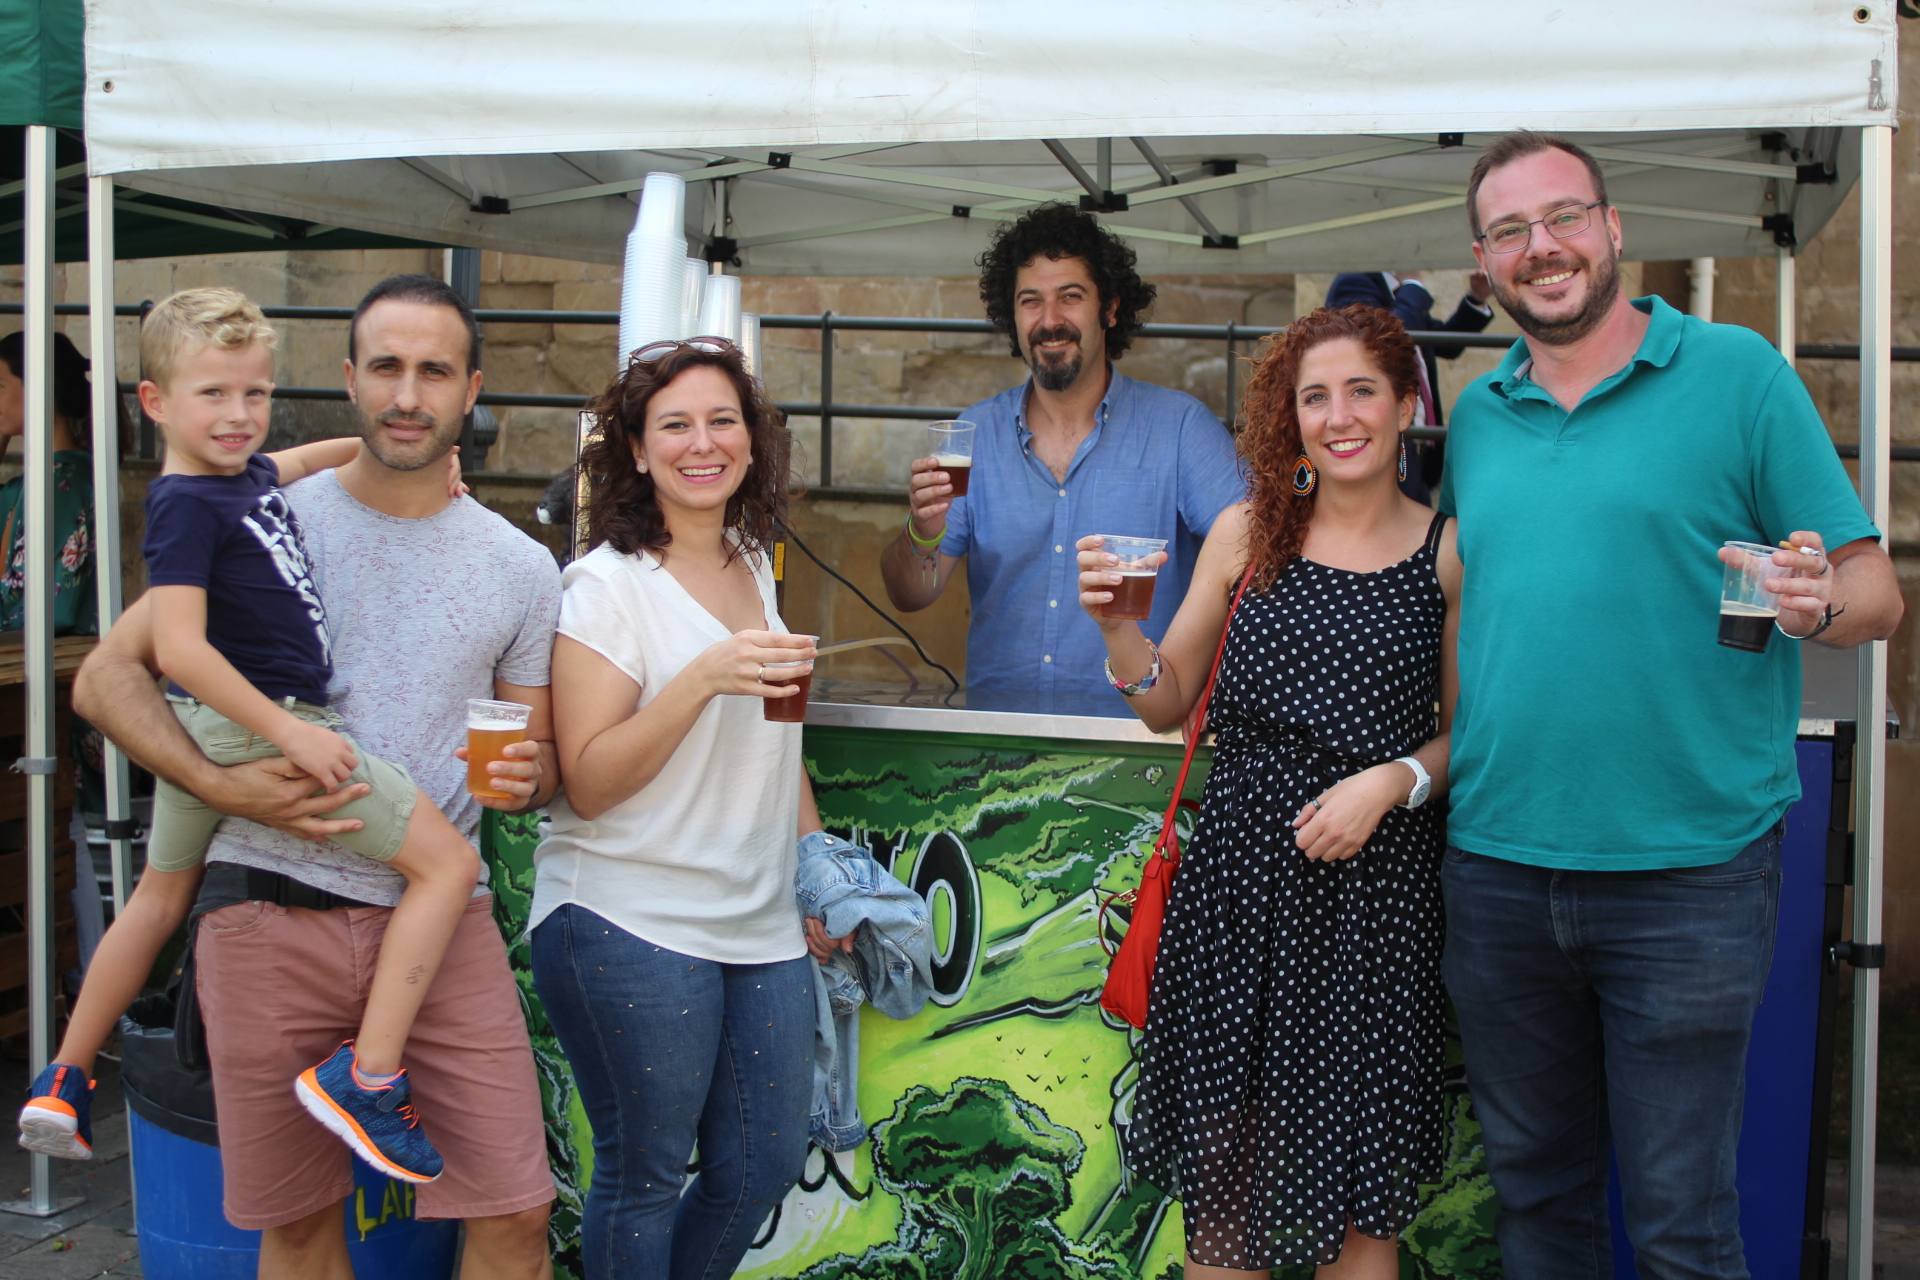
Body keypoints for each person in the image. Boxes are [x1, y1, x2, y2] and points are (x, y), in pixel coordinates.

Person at [1439, 130, 1905, 1278]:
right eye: (1510, 230)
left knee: (1682, 1221)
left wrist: (1811, 607)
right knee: (1538, 1209)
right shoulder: (1479, 412)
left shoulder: (1739, 372)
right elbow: (1468, 609)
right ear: (1484, 259)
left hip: (1688, 873)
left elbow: (1875, 590)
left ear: (1613, 226)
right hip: (1498, 866)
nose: (1541, 247)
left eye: (1563, 216)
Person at [70, 274, 561, 1278]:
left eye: (434, 371)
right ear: (348, 378)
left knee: (515, 1210)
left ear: (473, 390)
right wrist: (220, 779)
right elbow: (108, 678)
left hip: (439, 924)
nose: (407, 395)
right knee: (295, 1230)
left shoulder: (521, 565)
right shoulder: (255, 511)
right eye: (385, 366)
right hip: (265, 915)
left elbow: (526, 752)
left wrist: (526, 771)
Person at [18, 288, 479, 1188]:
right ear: (154, 402)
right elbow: (180, 645)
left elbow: (328, 450)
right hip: (260, 723)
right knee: (449, 867)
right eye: (214, 396)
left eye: (255, 394)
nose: (239, 416)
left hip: (215, 732)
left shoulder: (244, 477)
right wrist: (287, 734)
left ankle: (64, 1077)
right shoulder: (186, 504)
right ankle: (369, 1075)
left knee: (155, 900)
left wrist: (433, 463)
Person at [1082, 305, 1461, 1278]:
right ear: (1289, 417)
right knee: (1232, 1213)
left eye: (1362, 391)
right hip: (1243, 900)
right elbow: (1163, 703)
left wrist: (1394, 780)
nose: (1339, 416)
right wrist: (1123, 631)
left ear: (1407, 401)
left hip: (1377, 911)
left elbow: (1473, 735)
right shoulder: (1245, 534)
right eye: (1315, 396)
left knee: (1362, 1216)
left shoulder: (1446, 553)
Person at [531, 337, 835, 1279]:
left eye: (722, 420)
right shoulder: (605, 586)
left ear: (751, 438)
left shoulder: (753, 561)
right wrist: (701, 679)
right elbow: (589, 776)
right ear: (634, 448)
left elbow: (774, 748)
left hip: (758, 919)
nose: (701, 443)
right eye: (674, 426)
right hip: (628, 913)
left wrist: (819, 867)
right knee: (646, 1175)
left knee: (765, 1165)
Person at [879, 203, 1244, 716]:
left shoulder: (1181, 429)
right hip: (998, 755)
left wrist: (1211, 685)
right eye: (1031, 301)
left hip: (1136, 749)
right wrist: (921, 530)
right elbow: (910, 594)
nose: (1050, 321)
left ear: (1110, 308)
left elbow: (1256, 560)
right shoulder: (975, 434)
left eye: (1070, 297)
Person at [1324, 270, 1494, 502]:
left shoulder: (1398, 294)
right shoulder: (1354, 281)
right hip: (1389, 438)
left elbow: (1447, 344)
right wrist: (1413, 285)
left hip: (1415, 438)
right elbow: (1381, 339)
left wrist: (1476, 298)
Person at [0, 329, 128, 635]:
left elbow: (26, 605)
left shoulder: (63, 484)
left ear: (38, 388)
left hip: (52, 664)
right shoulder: (38, 481)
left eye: (1, 386)